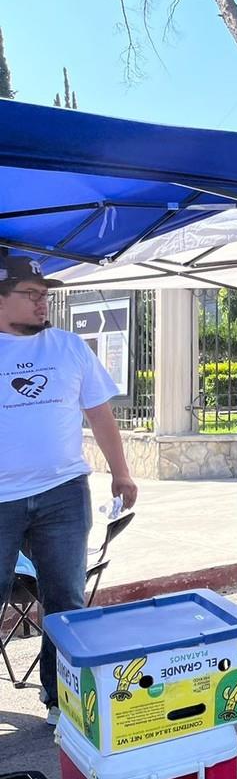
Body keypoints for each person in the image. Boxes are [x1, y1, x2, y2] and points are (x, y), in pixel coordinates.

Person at [0, 256, 139, 725]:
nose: (43, 303)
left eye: (45, 295)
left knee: (66, 599)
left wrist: (122, 473)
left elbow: (100, 415)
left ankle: (60, 698)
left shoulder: (70, 347)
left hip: (63, 491)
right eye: (31, 294)